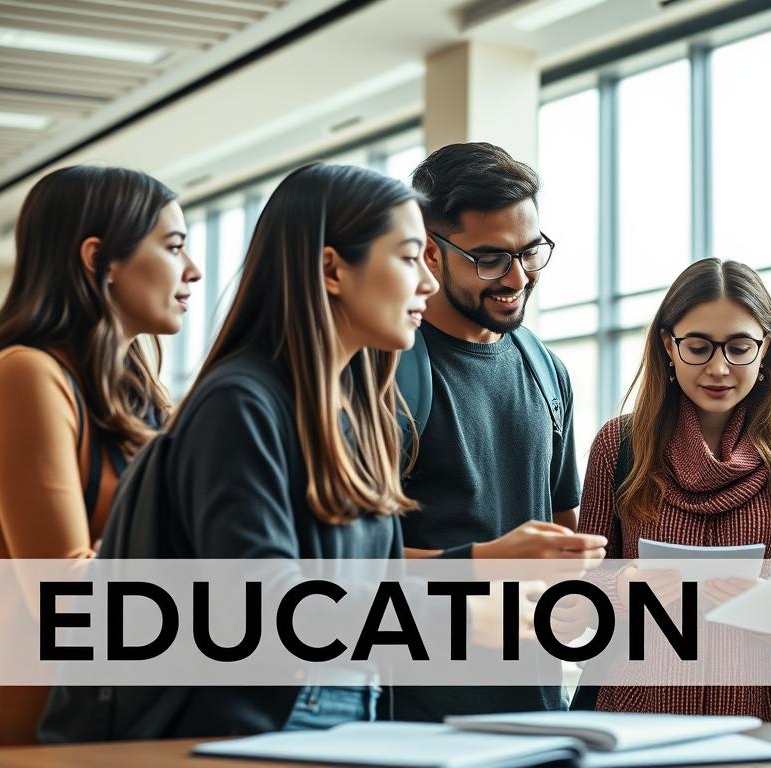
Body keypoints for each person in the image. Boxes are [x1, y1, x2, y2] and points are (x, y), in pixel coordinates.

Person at [41, 163, 525, 740]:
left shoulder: (356, 410)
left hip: (349, 720)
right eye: (405, 258)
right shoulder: (239, 403)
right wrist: (461, 614)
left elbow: (375, 582)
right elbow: (264, 607)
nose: (426, 283)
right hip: (245, 733)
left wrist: (481, 570)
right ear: (331, 270)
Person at [0, 165, 199, 746]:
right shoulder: (25, 373)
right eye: (174, 246)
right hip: (33, 726)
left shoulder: (134, 389)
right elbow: (69, 599)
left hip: (118, 713)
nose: (193, 272)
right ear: (98, 258)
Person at [394, 142, 604, 720]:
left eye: (530, 252)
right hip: (413, 720)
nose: (517, 277)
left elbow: (563, 533)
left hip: (536, 709)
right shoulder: (386, 373)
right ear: (432, 256)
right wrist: (483, 563)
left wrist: (580, 599)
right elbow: (349, 565)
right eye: (489, 258)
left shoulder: (546, 369)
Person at [576, 257, 771, 722]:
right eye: (698, 347)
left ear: (766, 348)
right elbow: (576, 602)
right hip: (637, 720)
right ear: (668, 347)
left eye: (739, 347)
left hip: (765, 723)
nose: (718, 368)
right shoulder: (619, 444)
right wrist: (623, 588)